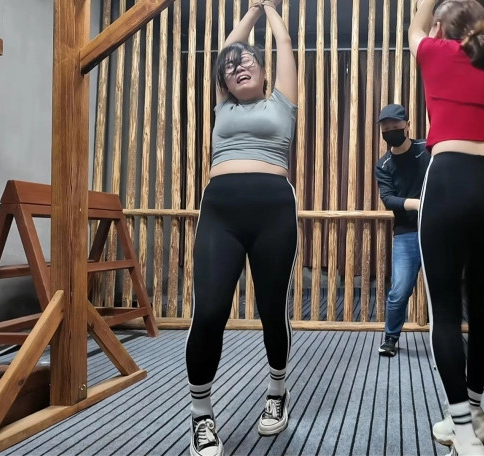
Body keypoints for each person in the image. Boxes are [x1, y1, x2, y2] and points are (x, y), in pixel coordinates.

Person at [184, 0, 298, 454]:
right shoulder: (223, 108)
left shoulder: (282, 102)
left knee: (272, 309)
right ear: (224, 82)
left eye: (248, 61)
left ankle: (276, 392)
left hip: (274, 212)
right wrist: (247, 15)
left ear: (264, 72)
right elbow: (227, 49)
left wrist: (268, 9)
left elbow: (284, 43)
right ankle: (201, 414)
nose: (239, 67)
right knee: (210, 311)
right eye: (231, 68)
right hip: (221, 213)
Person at [409, 0, 484, 454]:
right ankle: (473, 412)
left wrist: (430, 16)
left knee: (446, 312)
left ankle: (465, 434)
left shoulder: (433, 50)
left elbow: (414, 25)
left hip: (450, 175)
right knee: (482, 307)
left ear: (439, 27)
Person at [374, 104, 430, 357]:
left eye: (395, 127)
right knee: (400, 290)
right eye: (386, 128)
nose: (390, 131)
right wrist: (420, 204)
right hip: (407, 232)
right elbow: (389, 199)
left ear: (407, 125)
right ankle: (390, 338)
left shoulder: (427, 149)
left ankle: (447, 335)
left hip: (436, 228)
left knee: (443, 286)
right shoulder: (384, 165)